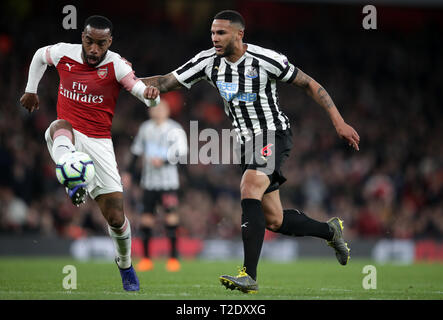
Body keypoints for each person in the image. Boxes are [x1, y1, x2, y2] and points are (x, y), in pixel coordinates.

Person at [141, 10, 360, 294]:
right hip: (246, 142)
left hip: (273, 133)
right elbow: (165, 81)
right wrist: (123, 79)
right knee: (274, 220)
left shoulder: (265, 59)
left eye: (221, 33)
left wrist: (339, 121)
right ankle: (330, 231)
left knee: (249, 185)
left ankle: (249, 275)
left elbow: (308, 83)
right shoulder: (207, 62)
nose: (215, 39)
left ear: (239, 34)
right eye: (212, 33)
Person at [19, 15, 160, 291]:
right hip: (68, 134)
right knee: (57, 126)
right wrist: (30, 90)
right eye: (89, 41)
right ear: (82, 37)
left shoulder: (116, 65)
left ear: (109, 42)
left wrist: (151, 95)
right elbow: (39, 55)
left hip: (99, 143)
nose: (94, 49)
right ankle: (74, 180)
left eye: (100, 44)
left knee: (117, 219)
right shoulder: (64, 53)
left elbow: (138, 88)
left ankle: (125, 265)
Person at [129, 100, 188, 272]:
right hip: (149, 182)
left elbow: (182, 153)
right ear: (150, 111)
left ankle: (173, 258)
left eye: (161, 108)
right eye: (154, 108)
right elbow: (136, 151)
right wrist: (127, 173)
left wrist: (163, 161)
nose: (157, 111)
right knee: (146, 219)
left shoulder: (175, 129)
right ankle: (146, 259)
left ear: (167, 110)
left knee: (171, 218)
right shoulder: (145, 128)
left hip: (168, 182)